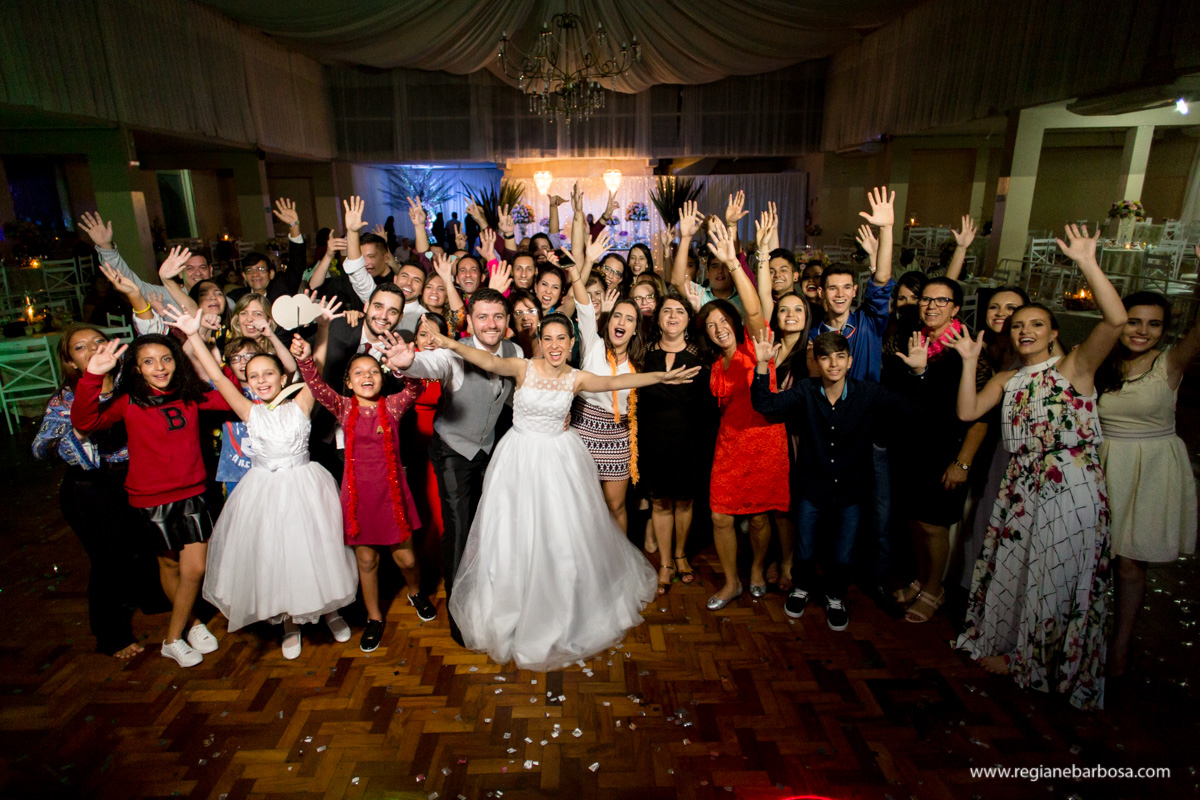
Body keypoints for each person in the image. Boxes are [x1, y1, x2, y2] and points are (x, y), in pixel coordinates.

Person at [390, 312, 697, 670]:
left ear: (571, 344)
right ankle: (513, 607)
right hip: (518, 460)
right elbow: (487, 360)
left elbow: (617, 381)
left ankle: (559, 608)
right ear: (540, 342)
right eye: (547, 338)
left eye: (560, 339)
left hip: (559, 461)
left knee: (559, 538)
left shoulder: (577, 378)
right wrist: (448, 343)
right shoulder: (523, 367)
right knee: (512, 535)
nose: (554, 345)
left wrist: (660, 376)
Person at [950, 224, 1124, 711]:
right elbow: (967, 412)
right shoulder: (1008, 377)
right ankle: (1016, 650)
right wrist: (969, 361)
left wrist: (1089, 262)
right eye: (1017, 325)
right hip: (1022, 486)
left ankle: (1042, 661)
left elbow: (1114, 321)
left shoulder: (1074, 368)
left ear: (1054, 333)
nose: (1024, 330)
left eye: (1035, 325)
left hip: (1070, 486)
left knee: (1060, 572)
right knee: (1021, 568)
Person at [166, 308, 357, 659]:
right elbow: (218, 378)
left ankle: (330, 609)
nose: (262, 380)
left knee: (317, 551)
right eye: (254, 376)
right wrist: (193, 336)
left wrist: (325, 327)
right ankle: (288, 621)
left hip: (305, 487)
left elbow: (315, 363)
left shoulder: (302, 402)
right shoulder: (248, 410)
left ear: (283, 378)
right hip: (265, 492)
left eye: (269, 373)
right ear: (249, 383)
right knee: (277, 557)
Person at [71, 333, 231, 668]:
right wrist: (93, 377)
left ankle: (172, 639)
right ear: (137, 369)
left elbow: (231, 399)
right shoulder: (129, 401)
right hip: (150, 499)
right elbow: (85, 423)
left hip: (192, 494)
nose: (159, 367)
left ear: (177, 361)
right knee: (169, 565)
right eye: (148, 361)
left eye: (166, 359)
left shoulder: (190, 395)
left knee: (196, 568)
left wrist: (211, 352)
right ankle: (193, 623)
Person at [752, 330, 928, 629]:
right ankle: (802, 587)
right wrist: (761, 366)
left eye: (840, 357)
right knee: (805, 547)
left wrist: (919, 372)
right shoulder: (806, 391)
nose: (833, 363)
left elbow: (914, 410)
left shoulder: (868, 393)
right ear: (816, 363)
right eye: (825, 357)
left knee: (844, 552)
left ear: (849, 361)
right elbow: (766, 406)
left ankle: (835, 595)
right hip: (812, 486)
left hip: (852, 489)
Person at [295, 299, 435, 653]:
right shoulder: (342, 407)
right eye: (358, 373)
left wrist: (405, 366)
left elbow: (415, 390)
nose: (367, 377)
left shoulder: (392, 405)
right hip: (357, 496)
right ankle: (374, 616)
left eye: (372, 371)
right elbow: (315, 385)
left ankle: (416, 593)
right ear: (348, 381)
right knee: (367, 560)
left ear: (381, 376)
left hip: (392, 494)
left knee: (406, 558)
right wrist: (304, 359)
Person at [390, 288, 522, 645]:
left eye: (497, 316)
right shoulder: (452, 352)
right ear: (469, 320)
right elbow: (429, 364)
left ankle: (486, 598)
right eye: (482, 316)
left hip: (490, 451)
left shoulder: (515, 352)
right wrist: (407, 363)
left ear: (507, 321)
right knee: (460, 529)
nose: (490, 324)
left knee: (488, 528)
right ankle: (459, 616)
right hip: (452, 450)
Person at [32, 324, 166, 659]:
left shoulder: (131, 387)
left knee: (146, 543)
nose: (92, 348)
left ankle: (154, 600)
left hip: (135, 480)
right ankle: (112, 636)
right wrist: (77, 434)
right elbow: (40, 449)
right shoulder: (67, 398)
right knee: (108, 561)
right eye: (80, 347)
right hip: (90, 489)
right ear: (71, 363)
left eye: (98, 341)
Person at [1094, 289, 1200, 679]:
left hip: (1151, 466)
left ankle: (1120, 646)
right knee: (1094, 560)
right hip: (1102, 460)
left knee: (1130, 564)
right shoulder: (1100, 357)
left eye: (1153, 324)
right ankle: (1082, 637)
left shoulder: (1169, 362)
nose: (1142, 331)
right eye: (1134, 321)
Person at [884, 277, 991, 623]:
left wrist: (963, 462)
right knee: (914, 520)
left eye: (941, 301)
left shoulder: (967, 349)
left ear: (956, 308)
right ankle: (919, 578)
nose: (931, 306)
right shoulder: (914, 339)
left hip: (946, 451)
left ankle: (934, 589)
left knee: (934, 525)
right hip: (910, 447)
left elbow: (981, 415)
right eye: (927, 300)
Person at [697, 221, 789, 610]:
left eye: (722, 321)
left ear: (733, 323)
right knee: (720, 516)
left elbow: (753, 307)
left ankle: (755, 572)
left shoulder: (756, 344)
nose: (718, 328)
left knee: (759, 519)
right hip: (730, 444)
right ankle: (731, 581)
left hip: (765, 439)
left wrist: (733, 262)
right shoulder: (715, 364)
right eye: (710, 325)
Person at [563, 230, 645, 536]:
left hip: (618, 437)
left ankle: (618, 567)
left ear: (636, 329)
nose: (621, 323)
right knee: (582, 506)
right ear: (607, 321)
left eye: (629, 319)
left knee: (615, 507)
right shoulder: (593, 345)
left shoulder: (638, 364)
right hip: (583, 433)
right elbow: (583, 304)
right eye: (617, 317)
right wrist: (582, 265)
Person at [636, 289, 718, 592]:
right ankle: (667, 561)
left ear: (688, 319)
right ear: (658, 318)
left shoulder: (702, 355)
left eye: (679, 311)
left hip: (689, 441)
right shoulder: (644, 354)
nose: (673, 316)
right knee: (659, 502)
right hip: (653, 440)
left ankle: (682, 554)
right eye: (667, 311)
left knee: (684, 502)